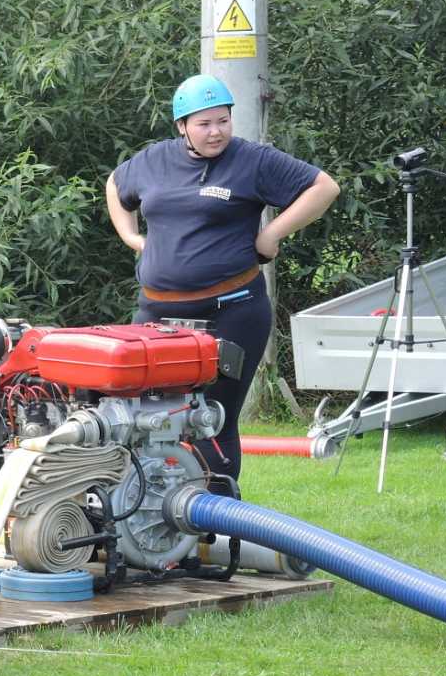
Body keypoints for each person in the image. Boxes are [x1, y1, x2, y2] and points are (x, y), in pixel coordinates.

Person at [104, 74, 339, 492]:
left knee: (214, 415)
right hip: (157, 314)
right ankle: (157, 515)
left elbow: (323, 187)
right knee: (151, 415)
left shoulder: (252, 161)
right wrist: (130, 237)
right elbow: (116, 185)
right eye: (204, 124)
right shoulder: (154, 160)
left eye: (223, 121)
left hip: (232, 311)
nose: (216, 132)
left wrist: (271, 235)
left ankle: (214, 520)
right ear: (181, 126)